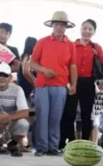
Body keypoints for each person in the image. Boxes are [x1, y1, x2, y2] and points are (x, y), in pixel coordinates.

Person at [30, 11, 78, 157]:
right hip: (42, 85)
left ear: (66, 27)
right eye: (56, 24)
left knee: (56, 118)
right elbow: (32, 63)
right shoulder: (42, 42)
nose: (59, 28)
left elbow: (73, 66)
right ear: (52, 26)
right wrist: (44, 70)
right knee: (42, 116)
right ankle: (41, 147)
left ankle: (53, 147)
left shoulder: (70, 45)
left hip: (61, 85)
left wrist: (74, 84)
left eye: (62, 25)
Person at [59, 19, 103, 149]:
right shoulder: (71, 44)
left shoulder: (95, 47)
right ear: (80, 29)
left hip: (88, 82)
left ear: (94, 32)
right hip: (72, 82)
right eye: (84, 28)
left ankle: (86, 142)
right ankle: (69, 141)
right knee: (68, 113)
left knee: (86, 114)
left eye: (90, 29)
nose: (87, 31)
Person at [19, 37, 37, 151]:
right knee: (27, 117)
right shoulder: (28, 56)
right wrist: (35, 82)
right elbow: (26, 71)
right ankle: (22, 143)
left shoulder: (24, 56)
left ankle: (27, 143)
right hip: (27, 90)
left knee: (30, 117)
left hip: (24, 89)